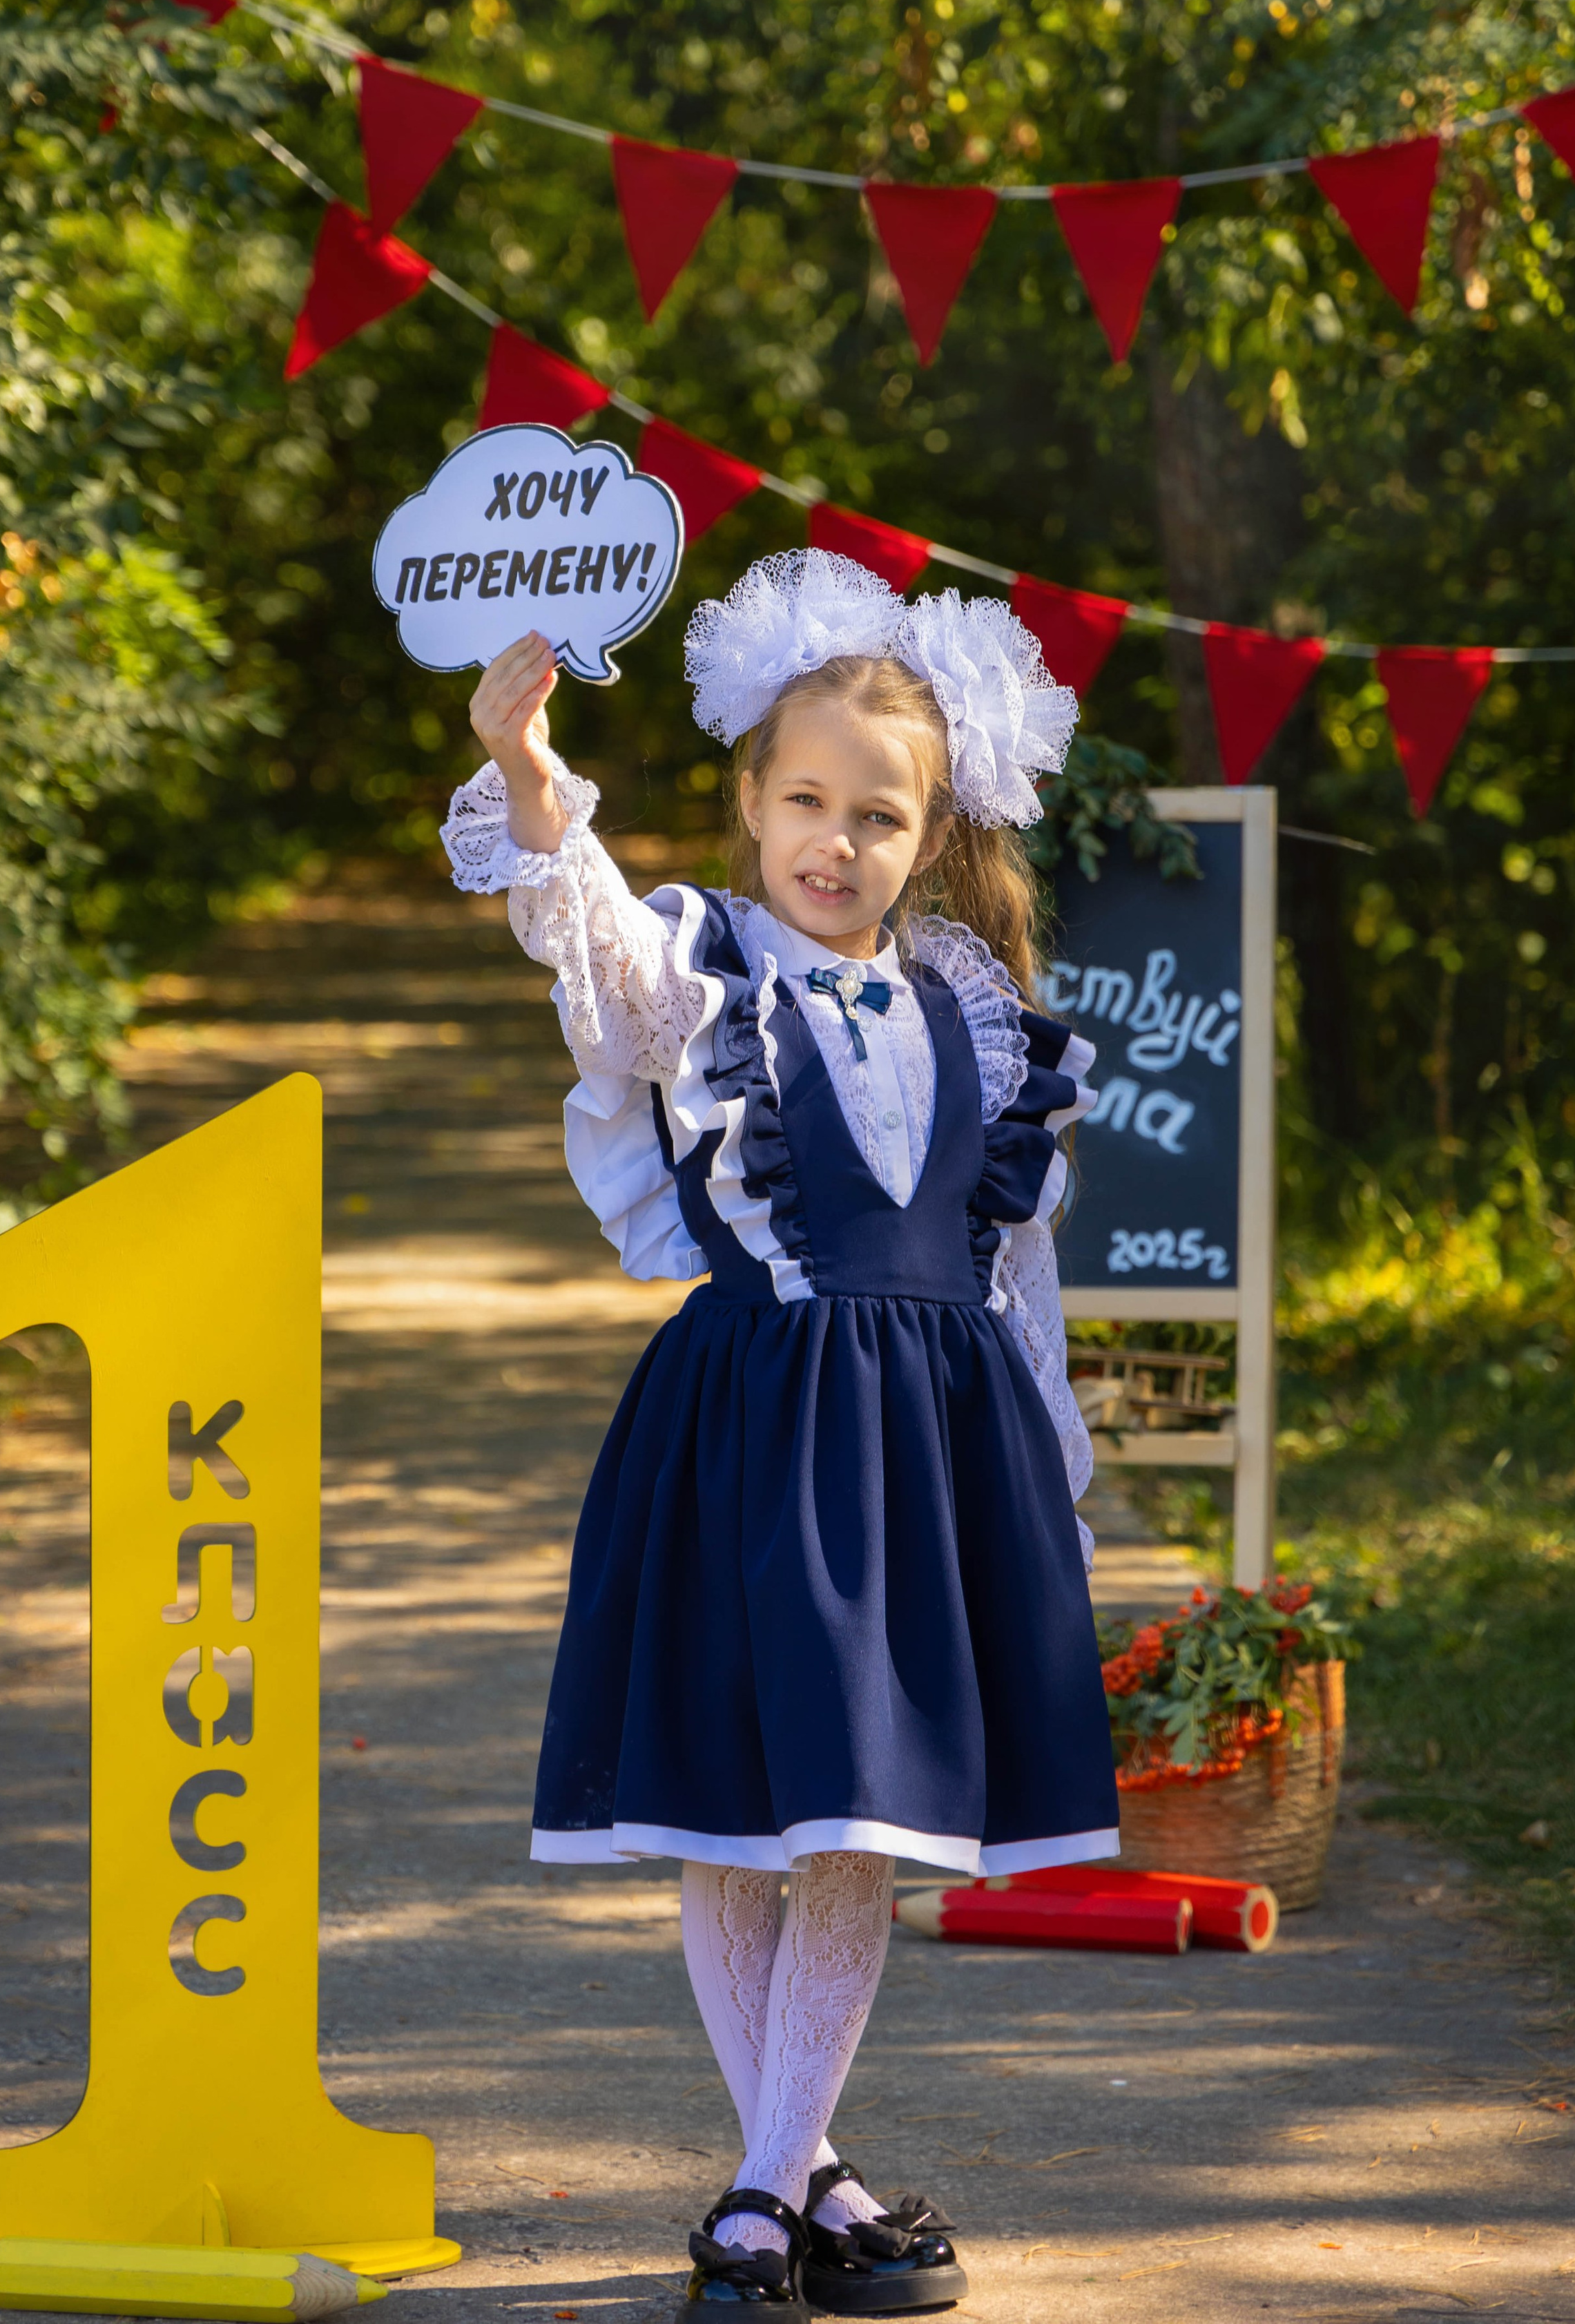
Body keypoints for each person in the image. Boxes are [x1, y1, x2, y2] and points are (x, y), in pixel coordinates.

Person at [442, 549, 1118, 2316]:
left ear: (931, 827)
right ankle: (791, 2183)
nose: (837, 841)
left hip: (930, 1456)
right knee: (748, 1813)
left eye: (877, 815)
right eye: (804, 801)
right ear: (746, 804)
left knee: (862, 1825)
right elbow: (602, 982)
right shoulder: (705, 972)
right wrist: (529, 781)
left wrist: (1049, 1480)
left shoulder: (977, 1008)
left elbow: (1015, 1278)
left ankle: (767, 2183)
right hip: (751, 1435)